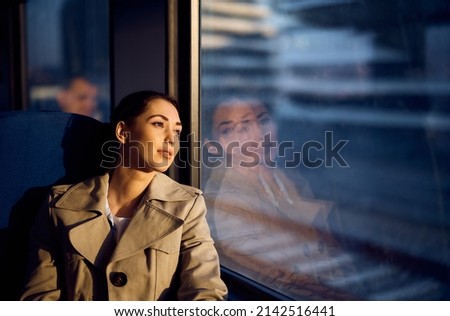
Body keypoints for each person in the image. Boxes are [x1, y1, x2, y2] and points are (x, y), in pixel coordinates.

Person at [21, 90, 228, 301]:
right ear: (123, 132)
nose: (171, 139)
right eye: (158, 124)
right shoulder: (59, 205)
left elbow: (205, 293)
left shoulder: (187, 206)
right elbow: (40, 298)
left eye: (177, 131)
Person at [203, 98, 354, 300]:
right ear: (213, 146)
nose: (258, 134)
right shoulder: (226, 202)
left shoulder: (289, 179)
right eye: (230, 130)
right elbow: (282, 281)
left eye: (263, 121)